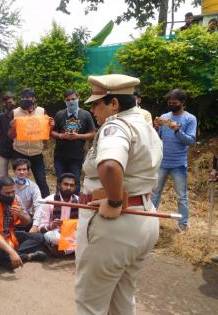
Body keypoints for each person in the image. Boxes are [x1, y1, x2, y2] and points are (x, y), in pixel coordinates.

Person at [74, 74, 162, 314]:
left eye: (97, 103)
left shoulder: (116, 125)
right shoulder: (146, 125)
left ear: (114, 104)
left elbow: (110, 165)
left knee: (90, 303)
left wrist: (113, 200)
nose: (93, 109)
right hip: (144, 216)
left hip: (115, 222)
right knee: (123, 299)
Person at [0, 176, 47, 269]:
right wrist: (12, 252)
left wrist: (21, 214)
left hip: (9, 234)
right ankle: (26, 256)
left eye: (13, 192)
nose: (11, 195)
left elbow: (27, 222)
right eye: (7, 193)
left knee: (39, 237)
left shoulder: (15, 199)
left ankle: (9, 259)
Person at [152, 89, 197, 231]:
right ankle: (150, 222)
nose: (171, 104)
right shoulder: (165, 116)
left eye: (175, 103)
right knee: (154, 193)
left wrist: (177, 130)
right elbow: (157, 137)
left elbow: (190, 141)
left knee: (181, 196)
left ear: (182, 102)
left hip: (179, 163)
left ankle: (183, 225)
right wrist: (156, 127)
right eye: (169, 102)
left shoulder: (190, 119)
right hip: (162, 162)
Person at [10, 88, 53, 198]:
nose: (25, 100)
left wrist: (51, 125)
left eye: (28, 98)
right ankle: (17, 204)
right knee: (19, 181)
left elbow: (46, 134)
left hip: (36, 153)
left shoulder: (42, 111)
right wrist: (14, 128)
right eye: (23, 98)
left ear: (34, 99)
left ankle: (47, 205)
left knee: (41, 181)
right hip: (19, 152)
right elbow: (10, 135)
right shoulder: (15, 112)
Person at [51, 89, 96, 193]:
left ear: (78, 98)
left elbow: (93, 133)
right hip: (60, 156)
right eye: (68, 100)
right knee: (60, 181)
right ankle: (60, 204)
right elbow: (52, 132)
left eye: (73, 99)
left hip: (77, 156)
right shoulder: (60, 114)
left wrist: (78, 136)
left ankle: (75, 206)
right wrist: (62, 136)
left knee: (75, 181)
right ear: (64, 101)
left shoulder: (85, 115)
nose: (71, 101)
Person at [39, 173, 79, 254]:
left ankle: (62, 250)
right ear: (59, 185)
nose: (68, 188)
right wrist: (52, 225)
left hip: (72, 233)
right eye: (65, 184)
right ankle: (71, 250)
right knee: (53, 237)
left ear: (75, 187)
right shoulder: (49, 201)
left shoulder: (79, 201)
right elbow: (41, 228)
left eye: (72, 185)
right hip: (55, 233)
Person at [12, 158, 43, 233]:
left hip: (25, 218)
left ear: (28, 171)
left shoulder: (33, 187)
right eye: (19, 169)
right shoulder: (8, 184)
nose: (21, 172)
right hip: (8, 217)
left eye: (24, 169)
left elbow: (39, 206)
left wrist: (35, 226)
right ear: (14, 171)